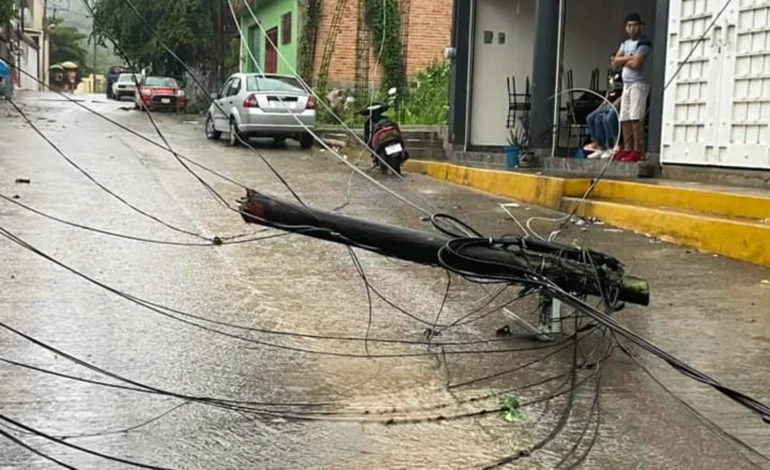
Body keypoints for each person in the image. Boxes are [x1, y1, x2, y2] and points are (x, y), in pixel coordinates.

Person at [612, 13, 652, 162]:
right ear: (625, 27)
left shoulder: (643, 43)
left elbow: (637, 64)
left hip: (639, 84)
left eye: (635, 25)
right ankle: (627, 149)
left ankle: (638, 150)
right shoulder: (624, 43)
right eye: (629, 25)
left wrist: (621, 60)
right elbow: (614, 64)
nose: (632, 28)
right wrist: (628, 58)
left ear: (640, 26)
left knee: (636, 117)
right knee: (624, 117)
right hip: (627, 84)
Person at [585, 54, 623, 159]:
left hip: (618, 104)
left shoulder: (624, 75)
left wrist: (616, 104)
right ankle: (599, 145)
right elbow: (608, 94)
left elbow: (624, 93)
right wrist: (601, 106)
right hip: (608, 104)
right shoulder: (611, 76)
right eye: (611, 61)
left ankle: (613, 144)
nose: (613, 63)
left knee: (607, 118)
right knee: (592, 117)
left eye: (614, 61)